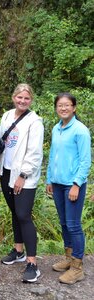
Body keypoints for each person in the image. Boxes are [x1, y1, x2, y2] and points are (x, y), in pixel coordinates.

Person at [0, 83, 44, 283]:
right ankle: (18, 250)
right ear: (13, 97)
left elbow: (35, 152)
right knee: (14, 212)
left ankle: (32, 263)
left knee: (23, 214)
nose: (22, 101)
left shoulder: (34, 121)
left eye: (26, 98)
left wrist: (23, 175)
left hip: (24, 176)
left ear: (31, 100)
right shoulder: (6, 116)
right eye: (19, 97)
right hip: (6, 171)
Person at [46, 93, 91, 284]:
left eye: (67, 105)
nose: (63, 108)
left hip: (73, 185)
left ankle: (77, 267)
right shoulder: (57, 128)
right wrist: (49, 179)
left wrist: (76, 184)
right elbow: (52, 155)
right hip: (57, 183)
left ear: (74, 108)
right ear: (56, 108)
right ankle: (68, 257)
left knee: (73, 224)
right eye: (60, 105)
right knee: (64, 223)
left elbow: (85, 161)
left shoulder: (80, 130)